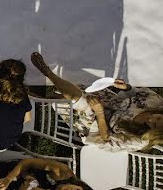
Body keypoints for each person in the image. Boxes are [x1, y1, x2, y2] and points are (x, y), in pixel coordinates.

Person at [30, 51, 163, 152]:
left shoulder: (139, 140)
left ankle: (46, 71)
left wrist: (99, 113)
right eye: (158, 118)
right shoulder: (156, 102)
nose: (152, 120)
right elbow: (138, 93)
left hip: (96, 124)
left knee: (76, 98)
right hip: (108, 101)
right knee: (72, 95)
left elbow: (106, 138)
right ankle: (39, 98)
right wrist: (126, 87)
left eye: (154, 126)